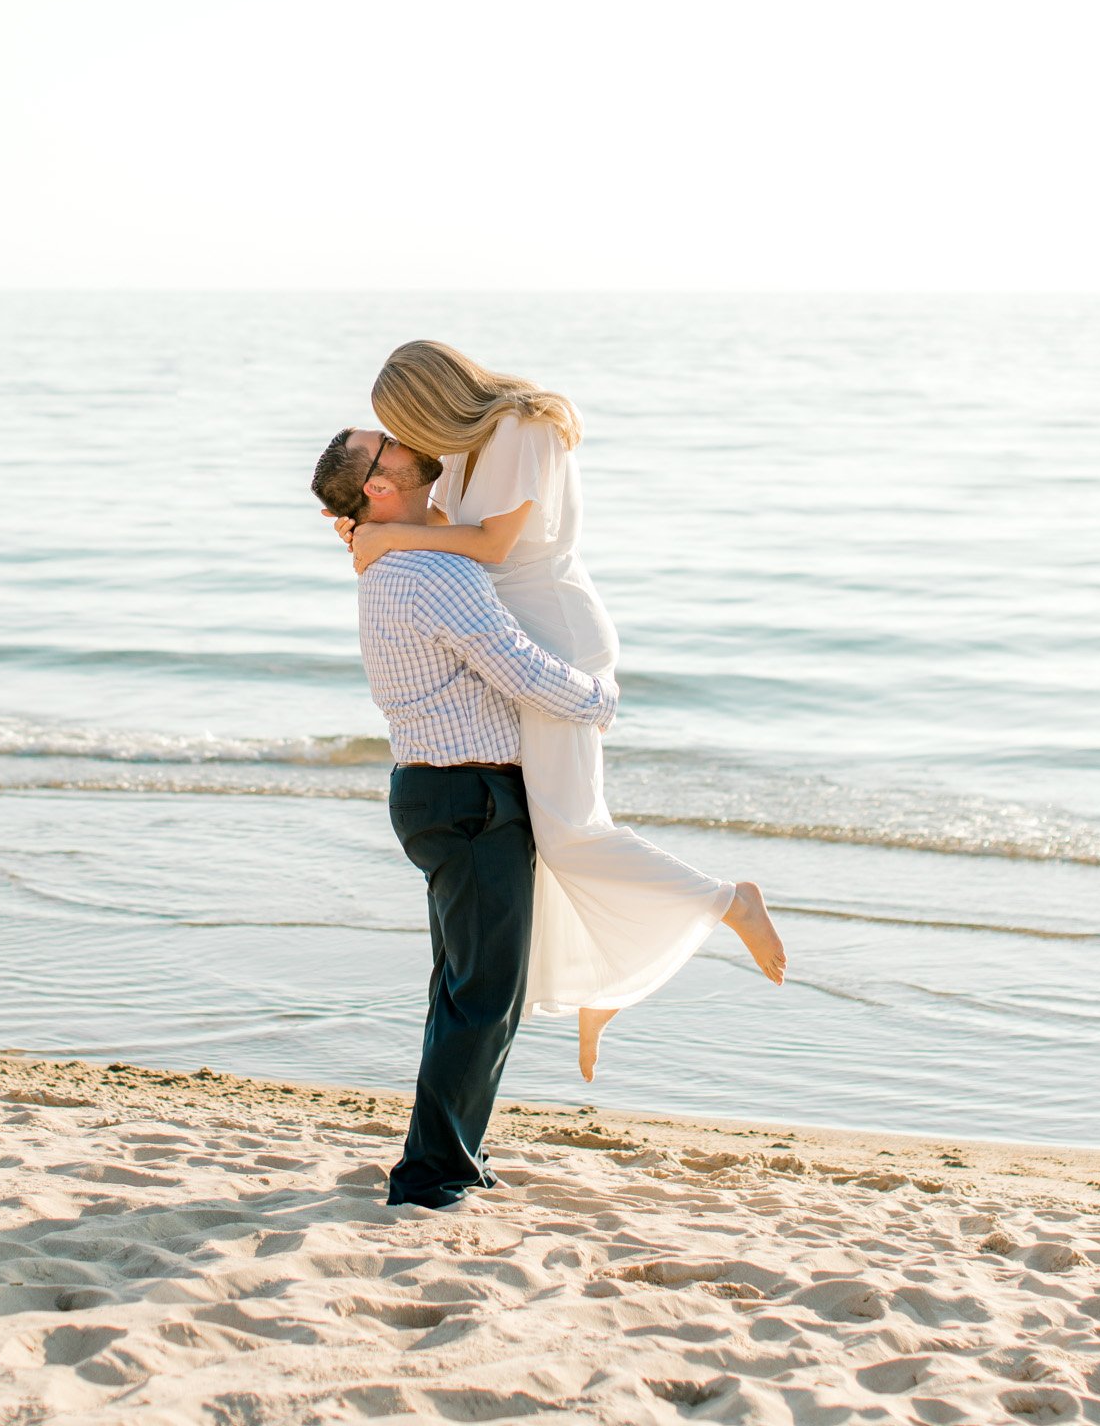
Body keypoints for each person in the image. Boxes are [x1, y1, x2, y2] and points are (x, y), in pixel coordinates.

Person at [328, 341, 786, 1088]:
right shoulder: (472, 449)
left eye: (403, 423)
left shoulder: (520, 428)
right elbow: (442, 528)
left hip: (556, 638)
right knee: (554, 835)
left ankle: (726, 903)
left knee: (571, 836)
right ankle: (602, 984)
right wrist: (366, 527)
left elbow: (492, 543)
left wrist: (390, 536)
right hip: (520, 637)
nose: (407, 442)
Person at [311, 427, 619, 1212]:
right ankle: (432, 1177)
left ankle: (450, 1158)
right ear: (380, 486)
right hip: (471, 798)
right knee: (482, 994)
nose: (403, 437)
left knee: (469, 991)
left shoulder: (400, 554)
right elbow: (514, 665)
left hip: (439, 793)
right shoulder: (430, 569)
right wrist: (598, 700)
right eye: (385, 443)